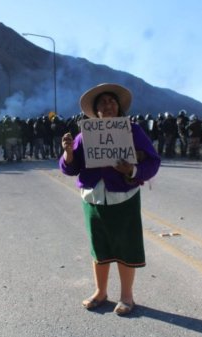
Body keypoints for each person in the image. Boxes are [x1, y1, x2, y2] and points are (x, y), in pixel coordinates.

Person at [59, 83, 161, 316]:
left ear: (118, 107)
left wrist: (133, 170)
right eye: (103, 101)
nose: (108, 104)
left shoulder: (133, 131)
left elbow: (153, 161)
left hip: (124, 197)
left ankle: (127, 296)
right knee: (99, 247)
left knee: (126, 247)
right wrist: (68, 153)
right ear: (95, 110)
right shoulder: (84, 135)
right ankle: (100, 292)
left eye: (112, 101)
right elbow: (70, 168)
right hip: (93, 199)